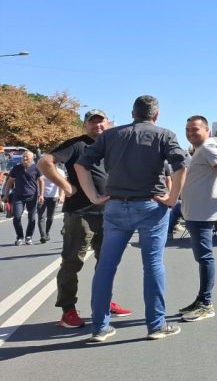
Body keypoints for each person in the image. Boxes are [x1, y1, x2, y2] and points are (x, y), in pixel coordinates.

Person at [76, 95, 189, 343]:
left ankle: (100, 327)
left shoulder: (110, 135)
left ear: (132, 113)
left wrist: (94, 197)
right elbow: (181, 166)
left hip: (115, 206)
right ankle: (156, 325)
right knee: (153, 265)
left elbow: (80, 165)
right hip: (151, 206)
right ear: (156, 115)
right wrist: (172, 198)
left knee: (106, 266)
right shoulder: (164, 135)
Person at [38, 109, 133, 329]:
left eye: (101, 122)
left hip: (109, 214)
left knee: (106, 264)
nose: (97, 126)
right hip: (80, 213)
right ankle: (68, 311)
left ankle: (105, 302)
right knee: (72, 263)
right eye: (92, 122)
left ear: (107, 123)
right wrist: (66, 187)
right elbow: (44, 163)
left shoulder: (112, 145)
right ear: (85, 125)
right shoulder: (76, 145)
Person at [177, 115, 217, 322]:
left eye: (195, 129)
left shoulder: (209, 148)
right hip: (196, 212)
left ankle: (206, 304)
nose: (191, 133)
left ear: (207, 130)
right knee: (202, 257)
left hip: (203, 213)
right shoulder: (200, 150)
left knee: (205, 257)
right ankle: (201, 299)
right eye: (188, 130)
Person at [3, 150, 44, 245]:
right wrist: (6, 194)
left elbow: (41, 181)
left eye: (27, 157)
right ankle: (20, 236)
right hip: (18, 196)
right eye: (23, 157)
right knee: (16, 217)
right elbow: (10, 182)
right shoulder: (16, 168)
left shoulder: (36, 168)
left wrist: (41, 195)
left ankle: (29, 236)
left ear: (32, 158)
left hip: (32, 196)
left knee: (32, 218)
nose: (25, 158)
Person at [36, 162, 64, 243]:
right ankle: (43, 235)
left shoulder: (60, 172)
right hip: (42, 196)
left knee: (50, 217)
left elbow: (62, 184)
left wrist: (61, 195)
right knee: (41, 217)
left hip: (54, 197)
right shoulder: (42, 171)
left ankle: (47, 232)